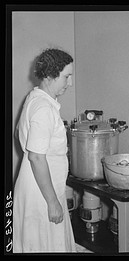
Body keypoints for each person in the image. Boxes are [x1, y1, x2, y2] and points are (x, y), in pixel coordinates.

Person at [13, 48, 77, 253]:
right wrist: (52, 202)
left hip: (37, 183)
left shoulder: (33, 98)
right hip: (42, 191)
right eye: (66, 77)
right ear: (50, 76)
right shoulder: (44, 109)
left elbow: (17, 133)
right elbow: (37, 157)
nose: (70, 83)